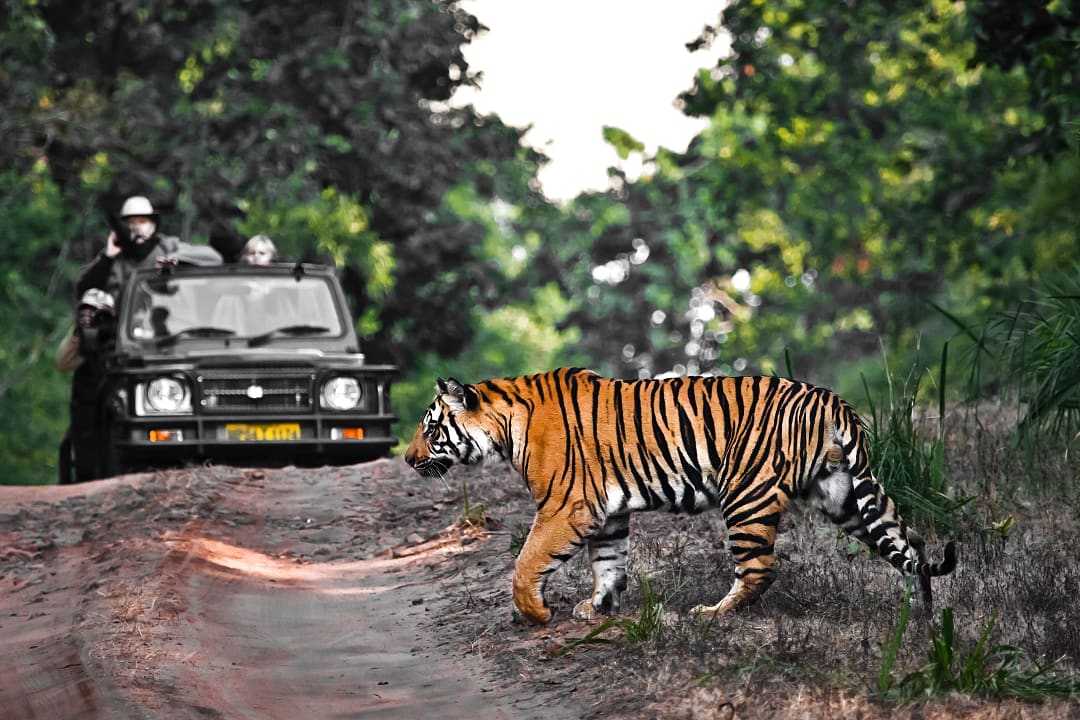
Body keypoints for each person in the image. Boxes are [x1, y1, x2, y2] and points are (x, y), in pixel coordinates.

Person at [75, 195, 222, 302]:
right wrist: (107, 257)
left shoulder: (168, 247)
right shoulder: (114, 257)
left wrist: (177, 260)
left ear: (153, 225)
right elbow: (83, 289)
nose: (137, 227)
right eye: (131, 223)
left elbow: (214, 258)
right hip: (126, 335)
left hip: (166, 330)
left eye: (142, 221)